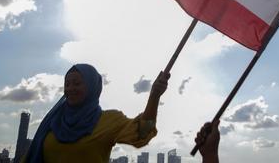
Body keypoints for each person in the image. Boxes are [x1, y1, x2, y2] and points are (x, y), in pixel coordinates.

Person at [23, 63, 169, 163]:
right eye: (67, 84)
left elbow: (142, 132)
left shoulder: (109, 120)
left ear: (92, 87)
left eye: (77, 83)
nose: (70, 88)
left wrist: (154, 96)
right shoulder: (53, 121)